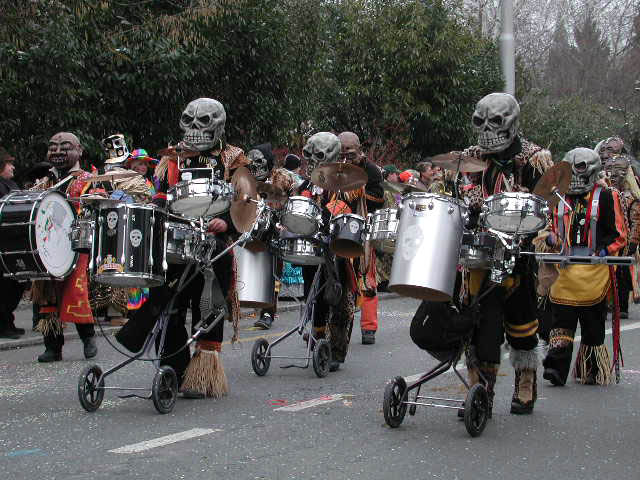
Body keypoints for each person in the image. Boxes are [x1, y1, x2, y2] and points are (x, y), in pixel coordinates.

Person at [117, 97, 247, 399]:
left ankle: (203, 375)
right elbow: (161, 196)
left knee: (208, 306)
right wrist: (154, 212)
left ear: (219, 125)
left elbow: (246, 201)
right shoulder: (172, 157)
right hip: (176, 238)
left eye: (204, 121)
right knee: (169, 303)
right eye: (190, 121)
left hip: (214, 244)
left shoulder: (234, 159)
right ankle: (172, 370)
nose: (195, 129)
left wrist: (226, 222)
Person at [445, 93, 553, 415]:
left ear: (513, 124)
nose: (487, 130)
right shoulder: (467, 158)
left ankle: (526, 382)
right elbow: (455, 199)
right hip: (479, 256)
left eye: (495, 122)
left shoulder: (535, 159)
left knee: (522, 324)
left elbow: (546, 208)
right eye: (480, 122)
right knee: (482, 326)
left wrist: (532, 234)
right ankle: (480, 392)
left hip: (519, 255)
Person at [542, 148, 626, 386]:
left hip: (594, 271)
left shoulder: (607, 196)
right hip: (565, 270)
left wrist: (604, 250)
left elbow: (619, 234)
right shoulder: (558, 198)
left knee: (592, 323)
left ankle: (590, 367)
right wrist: (550, 238)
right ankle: (556, 368)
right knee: (562, 321)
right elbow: (550, 227)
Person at [32, 132, 97, 362]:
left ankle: (88, 337)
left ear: (79, 151)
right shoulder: (43, 182)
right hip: (47, 248)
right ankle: (52, 346)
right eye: (53, 147)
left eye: (65, 147)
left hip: (76, 246)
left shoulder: (89, 180)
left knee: (75, 291)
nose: (57, 152)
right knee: (46, 295)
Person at [338, 131, 385, 345]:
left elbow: (379, 198)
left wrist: (359, 193)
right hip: (340, 228)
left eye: (349, 151)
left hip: (364, 228)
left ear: (358, 149)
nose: (346, 156)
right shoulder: (336, 168)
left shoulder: (371, 170)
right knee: (340, 277)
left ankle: (369, 327)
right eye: (341, 152)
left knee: (366, 277)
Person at [603, 154, 640, 318]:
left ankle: (621, 306)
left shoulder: (632, 197)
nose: (613, 174)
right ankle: (605, 304)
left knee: (621, 274)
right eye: (609, 169)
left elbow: (636, 221)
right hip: (608, 241)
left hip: (624, 244)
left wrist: (632, 243)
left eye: (618, 169)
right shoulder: (605, 194)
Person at [0, 148, 27, 339]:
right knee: (5, 287)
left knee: (15, 285)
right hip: (3, 243)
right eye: (9, 163)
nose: (13, 167)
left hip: (14, 243)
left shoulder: (11, 184)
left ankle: (8, 321)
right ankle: (3, 325)